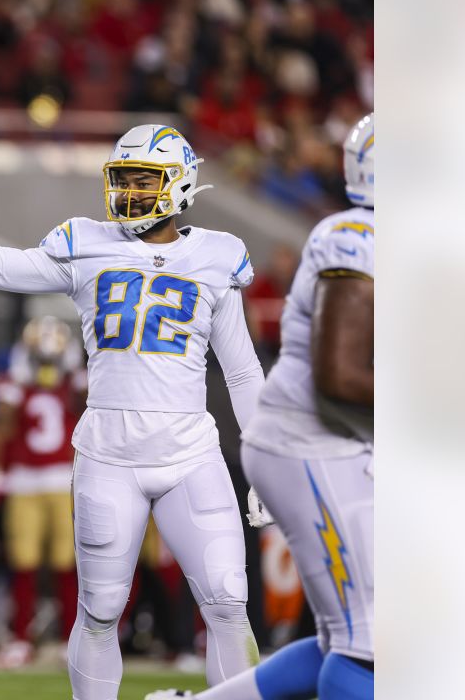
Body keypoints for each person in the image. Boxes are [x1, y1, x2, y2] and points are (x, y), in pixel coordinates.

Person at [0, 124, 264, 699]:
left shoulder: (216, 254)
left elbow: (241, 370)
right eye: (124, 180)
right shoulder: (85, 242)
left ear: (182, 184)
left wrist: (259, 459)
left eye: (146, 181)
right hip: (108, 453)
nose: (131, 193)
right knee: (101, 608)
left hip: (191, 452)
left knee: (229, 603)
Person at [146, 114, 375, 700]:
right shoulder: (355, 235)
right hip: (312, 442)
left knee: (347, 635)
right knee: (370, 640)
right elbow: (341, 373)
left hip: (342, 445)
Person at [0, 315, 85, 667]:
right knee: (23, 563)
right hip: (26, 480)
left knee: (67, 564)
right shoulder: (14, 385)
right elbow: (0, 425)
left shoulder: (75, 383)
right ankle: (21, 638)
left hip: (60, 479)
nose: (46, 368)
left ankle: (71, 639)